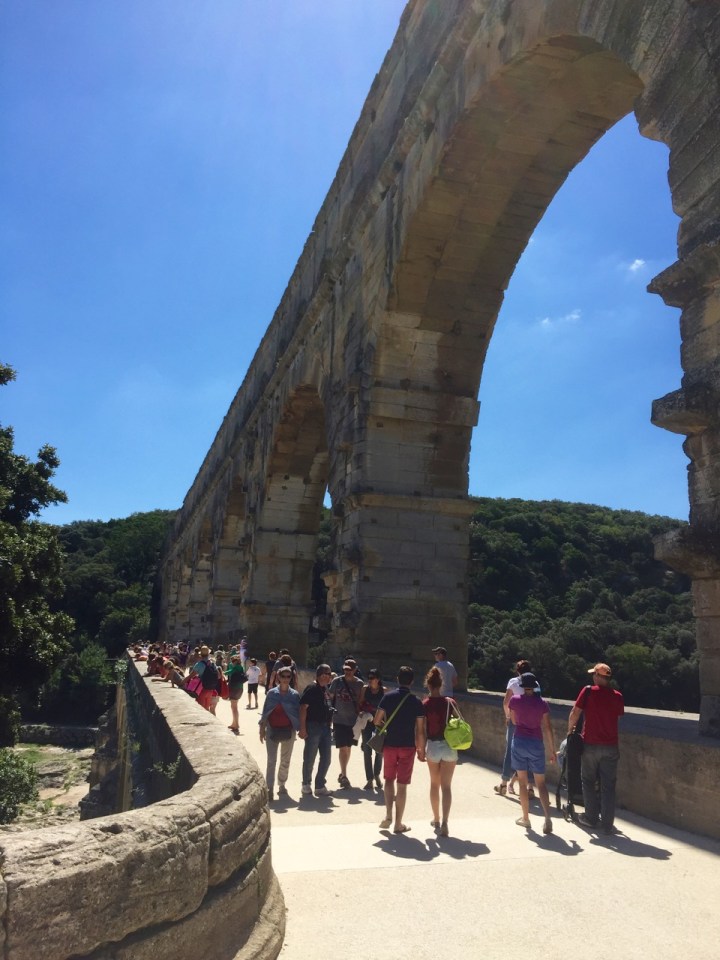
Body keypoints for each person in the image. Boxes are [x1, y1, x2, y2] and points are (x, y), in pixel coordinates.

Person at [567, 662, 624, 835]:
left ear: (599, 677)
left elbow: (575, 713)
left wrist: (570, 732)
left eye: (595, 675)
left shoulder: (588, 691)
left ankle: (591, 818)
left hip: (590, 744)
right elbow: (617, 720)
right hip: (611, 746)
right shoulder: (617, 696)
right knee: (608, 786)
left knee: (588, 781)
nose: (593, 677)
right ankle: (607, 823)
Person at [373, 665, 426, 833]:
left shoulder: (388, 698)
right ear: (412, 681)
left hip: (389, 744)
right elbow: (420, 729)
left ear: (397, 679)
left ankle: (388, 815)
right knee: (402, 785)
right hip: (407, 747)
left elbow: (376, 720)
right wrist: (421, 749)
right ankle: (398, 823)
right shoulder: (416, 702)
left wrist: (387, 727)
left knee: (389, 780)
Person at [509, 672, 556, 834]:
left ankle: (526, 819)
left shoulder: (514, 701)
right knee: (541, 783)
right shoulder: (542, 703)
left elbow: (514, 721)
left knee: (522, 782)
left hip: (520, 740)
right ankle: (547, 818)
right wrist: (552, 749)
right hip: (536, 742)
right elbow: (548, 727)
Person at [423, 666, 458, 837]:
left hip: (433, 745)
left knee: (434, 784)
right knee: (447, 787)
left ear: (428, 685)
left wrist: (420, 749)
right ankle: (445, 822)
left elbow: (421, 730)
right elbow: (458, 723)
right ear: (441, 684)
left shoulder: (425, 704)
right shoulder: (450, 702)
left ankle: (436, 819)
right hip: (449, 745)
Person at [259, 666, 301, 800]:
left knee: (285, 760)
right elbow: (265, 711)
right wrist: (262, 729)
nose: (286, 679)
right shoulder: (271, 693)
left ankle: (282, 784)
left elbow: (298, 713)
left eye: (289, 677)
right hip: (272, 729)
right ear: (278, 677)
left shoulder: (294, 695)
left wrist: (300, 728)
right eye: (283, 676)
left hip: (288, 730)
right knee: (271, 760)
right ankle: (269, 788)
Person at [494, 658, 532, 796]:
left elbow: (506, 702)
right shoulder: (535, 683)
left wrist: (508, 717)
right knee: (529, 753)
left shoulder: (513, 682)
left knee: (510, 752)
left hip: (515, 721)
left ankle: (504, 784)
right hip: (530, 723)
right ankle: (530, 787)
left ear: (517, 671)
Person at [298, 663, 335, 797]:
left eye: (329, 674)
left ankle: (320, 786)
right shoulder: (312, 688)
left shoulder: (325, 689)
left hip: (325, 727)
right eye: (325, 673)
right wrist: (302, 728)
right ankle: (306, 784)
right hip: (313, 726)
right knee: (310, 757)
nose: (327, 676)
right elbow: (303, 707)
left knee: (326, 758)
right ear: (319, 675)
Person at [329, 659, 364, 788]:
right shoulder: (336, 681)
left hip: (353, 721)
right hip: (338, 719)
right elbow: (330, 697)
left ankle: (342, 772)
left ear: (355, 670)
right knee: (343, 748)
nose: (347, 672)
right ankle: (344, 776)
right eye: (345, 669)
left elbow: (361, 701)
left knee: (348, 748)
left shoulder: (359, 684)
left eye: (349, 670)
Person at [359, 668, 385, 790]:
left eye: (372, 678)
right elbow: (360, 704)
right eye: (368, 677)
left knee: (379, 751)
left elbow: (387, 709)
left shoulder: (384, 691)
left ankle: (377, 774)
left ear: (378, 679)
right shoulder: (365, 689)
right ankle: (369, 779)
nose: (370, 680)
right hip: (367, 723)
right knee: (367, 751)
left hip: (380, 724)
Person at [225, 654, 247, 733]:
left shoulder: (235, 668)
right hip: (240, 688)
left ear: (234, 662)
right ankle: (234, 723)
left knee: (234, 708)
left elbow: (229, 672)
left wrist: (222, 672)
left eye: (232, 662)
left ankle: (236, 725)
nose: (231, 664)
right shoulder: (241, 668)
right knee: (234, 707)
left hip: (234, 688)